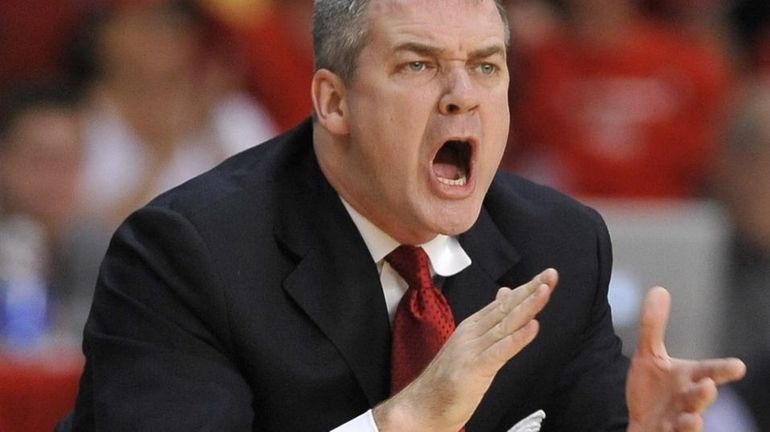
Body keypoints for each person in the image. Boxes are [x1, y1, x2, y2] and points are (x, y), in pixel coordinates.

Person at [69, 0, 745, 430]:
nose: (461, 97)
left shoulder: (558, 244)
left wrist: (638, 428)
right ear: (334, 104)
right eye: (418, 65)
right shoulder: (189, 253)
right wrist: (408, 422)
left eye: (486, 67)